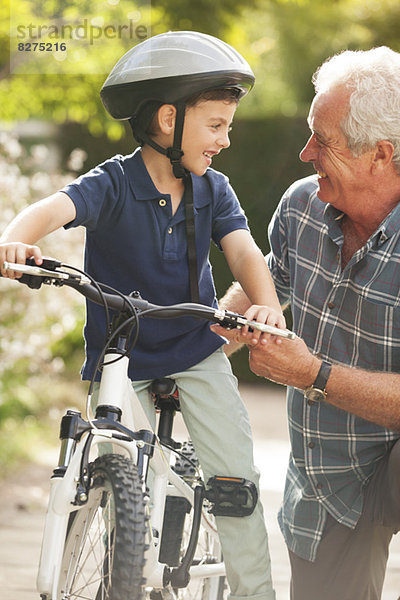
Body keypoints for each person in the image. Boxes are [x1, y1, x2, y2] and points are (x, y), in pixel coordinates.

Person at [0, 31, 284, 600]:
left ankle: (257, 593)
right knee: (114, 458)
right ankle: (118, 547)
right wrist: (14, 242)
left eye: (228, 126)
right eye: (216, 125)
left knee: (235, 480)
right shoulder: (112, 184)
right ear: (165, 120)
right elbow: (52, 210)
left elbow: (243, 250)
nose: (225, 139)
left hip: (193, 348)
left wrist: (267, 303)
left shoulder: (214, 189)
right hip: (121, 352)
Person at [211, 46, 400, 600]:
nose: (304, 152)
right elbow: (259, 290)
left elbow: (312, 373)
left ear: (381, 155)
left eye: (324, 140)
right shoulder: (301, 210)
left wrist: (313, 373)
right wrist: (193, 351)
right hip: (332, 472)